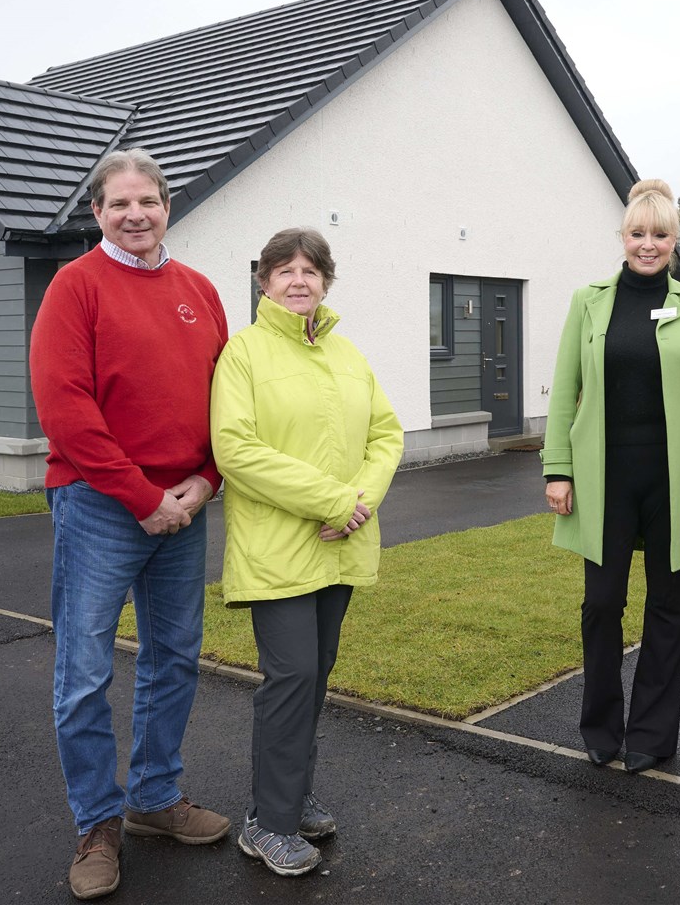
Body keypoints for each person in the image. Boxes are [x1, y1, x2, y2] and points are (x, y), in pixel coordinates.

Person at [30, 149, 232, 901]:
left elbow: (225, 404)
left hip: (182, 504)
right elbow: (66, 409)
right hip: (99, 505)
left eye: (147, 201)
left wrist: (204, 482)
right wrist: (141, 498)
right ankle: (98, 824)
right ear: (98, 213)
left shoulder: (200, 291)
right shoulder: (73, 287)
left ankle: (152, 799)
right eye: (120, 205)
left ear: (167, 206)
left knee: (175, 657)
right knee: (83, 673)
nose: (135, 215)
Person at [210, 228, 403, 876]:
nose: (299, 279)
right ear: (263, 281)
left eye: (311, 270)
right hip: (280, 549)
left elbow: (386, 434)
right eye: (284, 269)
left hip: (342, 545)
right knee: (291, 677)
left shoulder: (348, 354)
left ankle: (289, 795)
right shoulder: (243, 354)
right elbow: (236, 449)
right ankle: (266, 822)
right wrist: (331, 501)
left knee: (314, 675)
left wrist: (362, 501)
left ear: (326, 281)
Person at [541, 179, 680, 776]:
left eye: (659, 235)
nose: (647, 245)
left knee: (667, 606)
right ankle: (602, 726)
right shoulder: (589, 301)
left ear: (675, 241)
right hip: (605, 478)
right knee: (602, 604)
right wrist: (558, 468)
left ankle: (653, 732)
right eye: (637, 234)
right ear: (622, 237)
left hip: (672, 478)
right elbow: (565, 390)